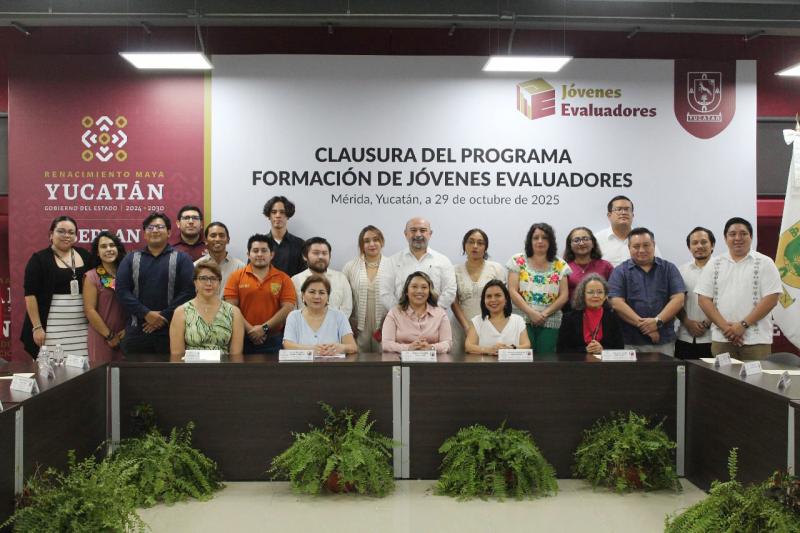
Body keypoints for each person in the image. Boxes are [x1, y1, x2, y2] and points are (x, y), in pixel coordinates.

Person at [696, 217, 782, 360]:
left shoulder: (765, 263)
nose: (738, 238)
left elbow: (771, 299)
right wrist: (727, 329)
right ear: (725, 238)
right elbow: (703, 299)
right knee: (721, 375)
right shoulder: (714, 264)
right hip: (723, 339)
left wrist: (742, 325)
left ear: (751, 237)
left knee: (757, 375)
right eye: (732, 234)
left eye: (743, 233)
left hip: (756, 341)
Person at [116, 212, 196, 356]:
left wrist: (163, 317)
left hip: (172, 332)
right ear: (144, 234)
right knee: (135, 371)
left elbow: (188, 291)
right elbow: (122, 291)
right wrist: (146, 314)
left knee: (171, 371)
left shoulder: (182, 259)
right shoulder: (130, 258)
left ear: (169, 232)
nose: (155, 230)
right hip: (137, 333)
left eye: (159, 227)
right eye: (150, 227)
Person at [22, 216, 91, 358]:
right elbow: (30, 295)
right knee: (52, 367)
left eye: (71, 232)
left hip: (81, 328)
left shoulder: (85, 256)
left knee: (83, 367)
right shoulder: (38, 259)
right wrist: (37, 327)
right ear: (51, 234)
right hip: (50, 329)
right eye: (61, 231)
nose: (67, 235)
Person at [608, 227, 685, 356]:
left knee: (664, 370)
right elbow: (616, 303)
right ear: (629, 248)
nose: (641, 250)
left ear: (653, 245)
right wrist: (648, 327)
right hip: (629, 341)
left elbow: (678, 299)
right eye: (636, 246)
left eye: (646, 245)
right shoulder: (620, 271)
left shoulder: (669, 268)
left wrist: (657, 321)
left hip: (663, 340)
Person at [224, 234, 296, 353]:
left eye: (264, 250)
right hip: (242, 337)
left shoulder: (284, 278)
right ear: (248, 254)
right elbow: (231, 307)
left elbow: (288, 307)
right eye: (255, 251)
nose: (259, 254)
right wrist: (250, 330)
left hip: (274, 339)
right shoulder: (236, 276)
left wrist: (264, 328)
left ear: (271, 254)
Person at [506, 223, 571, 354]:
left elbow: (564, 296)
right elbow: (512, 291)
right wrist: (531, 313)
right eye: (536, 237)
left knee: (546, 361)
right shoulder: (517, 260)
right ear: (530, 241)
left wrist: (544, 314)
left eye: (545, 237)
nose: (540, 241)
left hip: (550, 320)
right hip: (522, 319)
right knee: (522, 359)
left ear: (551, 241)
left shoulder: (560, 264)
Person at [380, 217, 457, 311]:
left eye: (423, 230)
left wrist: (433, 313)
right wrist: (401, 313)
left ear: (430, 234)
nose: (418, 234)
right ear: (406, 234)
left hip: (435, 318)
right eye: (413, 230)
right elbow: (385, 293)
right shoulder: (392, 262)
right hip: (400, 317)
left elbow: (450, 290)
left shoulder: (443, 261)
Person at [170, 262, 244, 357]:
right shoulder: (181, 312)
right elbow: (177, 354)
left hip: (223, 365)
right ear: (195, 282)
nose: (209, 283)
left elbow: (236, 355)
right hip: (190, 366)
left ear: (219, 283)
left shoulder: (234, 312)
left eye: (213, 279)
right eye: (203, 278)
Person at [451, 228, 507, 354]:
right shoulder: (454, 270)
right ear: (464, 245)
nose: (475, 246)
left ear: (486, 247)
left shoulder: (496, 268)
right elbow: (454, 302)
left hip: (490, 326)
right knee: (457, 362)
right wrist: (466, 326)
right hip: (461, 325)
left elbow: (502, 299)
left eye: (480, 243)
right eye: (471, 242)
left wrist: (491, 326)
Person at [342, 225, 389, 353]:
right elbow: (344, 298)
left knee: (385, 358)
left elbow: (399, 298)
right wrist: (347, 322)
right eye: (367, 241)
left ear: (382, 242)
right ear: (361, 245)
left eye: (376, 239)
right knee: (358, 359)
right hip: (358, 324)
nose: (372, 244)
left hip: (385, 323)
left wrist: (392, 321)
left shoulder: (393, 265)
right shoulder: (350, 267)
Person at [283, 274, 357, 355]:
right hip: (303, 363)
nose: (317, 296)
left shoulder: (339, 316)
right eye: (312, 292)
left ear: (328, 296)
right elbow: (287, 345)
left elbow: (353, 347)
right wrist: (311, 349)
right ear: (303, 294)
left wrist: (341, 347)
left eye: (322, 292)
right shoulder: (294, 316)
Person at [83, 231, 128, 363]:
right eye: (103, 246)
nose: (108, 249)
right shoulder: (92, 276)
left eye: (112, 245)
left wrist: (129, 330)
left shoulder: (127, 273)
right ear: (97, 252)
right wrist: (109, 335)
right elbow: (89, 310)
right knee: (102, 374)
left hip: (126, 336)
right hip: (102, 337)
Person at [382, 271, 452, 353]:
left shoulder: (440, 314)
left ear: (429, 292)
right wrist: (408, 348)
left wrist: (431, 348)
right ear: (406, 291)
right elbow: (386, 344)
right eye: (414, 286)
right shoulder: (394, 313)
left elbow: (447, 343)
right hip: (400, 359)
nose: (419, 291)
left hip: (433, 360)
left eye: (424, 287)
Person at [557, 274, 625, 354]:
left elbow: (619, 348)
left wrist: (603, 350)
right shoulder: (569, 318)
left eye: (600, 292)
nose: (595, 296)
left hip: (604, 362)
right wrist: (585, 350)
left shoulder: (613, 317)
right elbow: (562, 349)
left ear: (605, 296)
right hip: (578, 361)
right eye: (590, 292)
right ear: (583, 295)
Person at [675, 227, 716, 359]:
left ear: (712, 245)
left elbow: (726, 301)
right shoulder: (681, 271)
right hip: (685, 337)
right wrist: (687, 322)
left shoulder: (722, 269)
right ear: (689, 247)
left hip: (714, 338)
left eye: (704, 242)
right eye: (694, 243)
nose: (699, 246)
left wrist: (706, 323)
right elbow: (675, 302)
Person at [292, 237, 353, 317]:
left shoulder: (341, 278)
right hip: (303, 324)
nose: (321, 257)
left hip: (337, 324)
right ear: (305, 256)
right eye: (316, 253)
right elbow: (293, 310)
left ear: (329, 256)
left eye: (324, 253)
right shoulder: (295, 280)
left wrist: (336, 323)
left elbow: (347, 308)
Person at [464, 280, 529, 355]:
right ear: (484, 301)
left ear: (506, 299)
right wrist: (489, 350)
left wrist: (511, 349)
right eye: (489, 296)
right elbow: (468, 347)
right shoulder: (477, 321)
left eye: (498, 295)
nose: (493, 300)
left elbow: (527, 346)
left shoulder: (518, 320)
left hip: (512, 362)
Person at [594, 196, 661, 267]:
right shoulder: (597, 240)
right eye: (618, 209)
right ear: (609, 215)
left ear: (632, 215)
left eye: (627, 209)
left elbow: (659, 266)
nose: (623, 213)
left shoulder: (645, 238)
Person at [563, 226, 613, 305]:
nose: (581, 243)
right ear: (570, 245)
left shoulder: (606, 266)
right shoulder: (564, 268)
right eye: (576, 240)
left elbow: (613, 293)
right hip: (571, 311)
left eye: (585, 239)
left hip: (601, 310)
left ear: (593, 243)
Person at [194, 221, 245, 296]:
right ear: (205, 240)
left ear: (228, 240)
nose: (217, 239)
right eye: (213, 236)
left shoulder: (240, 267)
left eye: (221, 236)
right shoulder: (196, 266)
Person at [263, 196, 306, 276]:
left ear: (288, 215)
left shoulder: (300, 244)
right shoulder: (259, 243)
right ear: (268, 215)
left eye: (282, 212)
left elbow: (305, 275)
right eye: (274, 212)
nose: (278, 215)